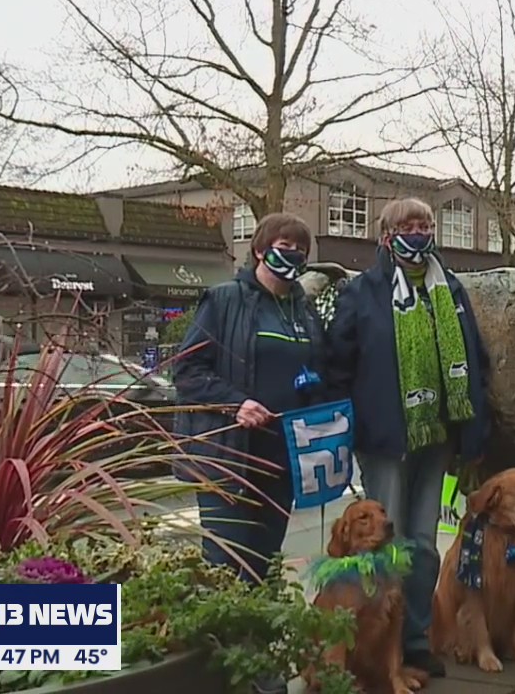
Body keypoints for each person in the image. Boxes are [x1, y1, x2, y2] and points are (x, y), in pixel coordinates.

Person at [327, 197, 491, 678]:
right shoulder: (364, 292)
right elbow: (339, 362)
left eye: (425, 225)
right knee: (384, 543)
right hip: (385, 438)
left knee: (422, 544)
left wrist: (473, 430)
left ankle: (414, 641)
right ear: (386, 235)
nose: (418, 233)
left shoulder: (451, 288)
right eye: (408, 226)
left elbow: (475, 360)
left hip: (437, 436)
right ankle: (375, 646)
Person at [172, 212, 329, 694]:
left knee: (262, 567)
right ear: (260, 249)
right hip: (228, 457)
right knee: (227, 569)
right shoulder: (224, 301)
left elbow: (314, 371)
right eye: (285, 245)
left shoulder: (304, 310)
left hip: (281, 461)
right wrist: (235, 403)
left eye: (302, 250)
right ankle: (229, 673)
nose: (294, 256)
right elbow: (187, 371)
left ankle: (252, 668)